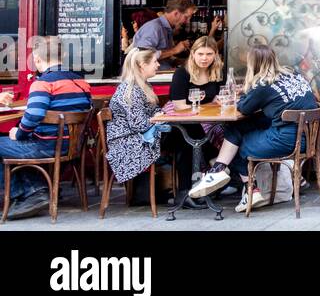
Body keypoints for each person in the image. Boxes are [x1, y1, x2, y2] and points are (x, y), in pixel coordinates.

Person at [188, 44, 318, 212]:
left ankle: (247, 187)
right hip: (307, 137)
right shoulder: (293, 75)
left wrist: (245, 92)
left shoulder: (264, 85)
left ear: (253, 64)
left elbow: (243, 108)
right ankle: (219, 170)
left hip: (287, 140)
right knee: (239, 127)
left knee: (237, 145)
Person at [0, 36, 92, 219]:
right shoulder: (82, 83)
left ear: (36, 59)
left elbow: (33, 116)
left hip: (47, 147)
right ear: (63, 55)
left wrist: (18, 134)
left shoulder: (43, 84)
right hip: (72, 147)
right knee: (15, 146)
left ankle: (30, 193)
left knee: (11, 143)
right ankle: (37, 190)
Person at [166, 36, 227, 193]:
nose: (204, 58)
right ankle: (190, 188)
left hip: (206, 118)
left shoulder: (218, 72)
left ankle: (218, 175)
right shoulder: (182, 74)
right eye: (200, 54)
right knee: (191, 136)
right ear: (193, 54)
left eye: (209, 54)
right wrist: (210, 105)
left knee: (228, 133)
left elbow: (219, 98)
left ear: (215, 55)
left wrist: (218, 102)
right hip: (178, 120)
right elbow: (179, 105)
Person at [104, 47, 166, 191]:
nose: (158, 65)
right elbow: (139, 125)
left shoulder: (143, 86)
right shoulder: (131, 90)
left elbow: (154, 111)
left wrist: (158, 115)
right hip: (127, 143)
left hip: (137, 137)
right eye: (155, 62)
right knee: (182, 139)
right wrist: (156, 117)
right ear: (143, 65)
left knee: (183, 136)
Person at [132, 0, 196, 70]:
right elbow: (143, 56)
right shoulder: (154, 27)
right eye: (186, 17)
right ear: (176, 13)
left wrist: (179, 61)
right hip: (153, 79)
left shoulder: (166, 29)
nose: (187, 21)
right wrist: (175, 50)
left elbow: (163, 58)